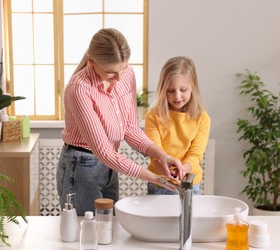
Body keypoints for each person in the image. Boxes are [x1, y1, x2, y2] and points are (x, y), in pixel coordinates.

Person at [57, 28, 185, 216]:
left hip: (109, 166)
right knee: (85, 232)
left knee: (109, 227)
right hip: (81, 167)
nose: (118, 78)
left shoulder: (127, 75)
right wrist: (155, 178)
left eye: (123, 68)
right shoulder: (79, 89)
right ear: (92, 62)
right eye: (110, 72)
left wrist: (160, 154)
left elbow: (130, 128)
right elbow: (103, 151)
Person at [145, 56, 211, 195]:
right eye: (170, 90)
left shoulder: (202, 118)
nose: (177, 96)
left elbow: (195, 154)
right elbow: (154, 151)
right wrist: (165, 167)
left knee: (187, 217)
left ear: (193, 87)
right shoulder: (153, 115)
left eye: (183, 89)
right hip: (159, 182)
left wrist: (183, 169)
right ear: (163, 89)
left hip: (189, 183)